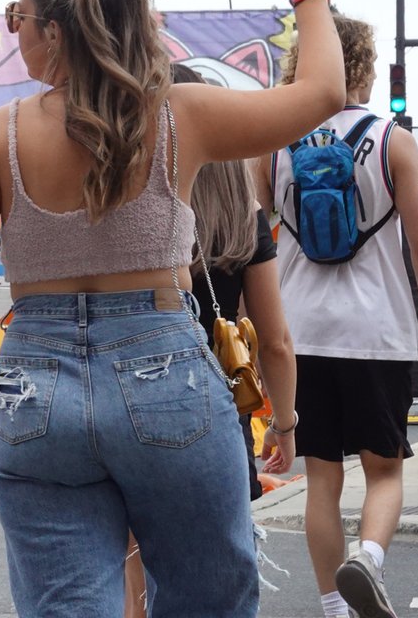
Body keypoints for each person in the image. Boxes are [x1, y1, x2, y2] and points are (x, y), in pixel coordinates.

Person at [0, 0, 345, 617]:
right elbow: (322, 94)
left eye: (18, 14)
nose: (13, 28)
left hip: (38, 382)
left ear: (51, 31)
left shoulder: (0, 137)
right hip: (165, 369)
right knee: (208, 597)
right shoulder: (180, 114)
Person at [255, 15, 418, 618]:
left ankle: (334, 608)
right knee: (384, 472)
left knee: (321, 478)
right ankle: (368, 557)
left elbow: (261, 245)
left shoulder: (271, 148)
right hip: (377, 333)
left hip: (301, 331)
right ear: (364, 65)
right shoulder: (393, 139)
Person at [122, 66, 299, 618]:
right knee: (214, 562)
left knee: (132, 550)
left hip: (131, 391)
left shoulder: (131, 211)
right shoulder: (245, 221)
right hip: (212, 406)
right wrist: (285, 421)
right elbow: (275, 341)